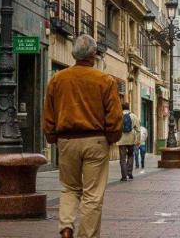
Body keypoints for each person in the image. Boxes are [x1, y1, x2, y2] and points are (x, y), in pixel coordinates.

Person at [43, 35, 123, 238]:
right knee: (92, 194)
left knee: (69, 188)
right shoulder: (105, 80)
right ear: (94, 55)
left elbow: (48, 113)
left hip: (66, 141)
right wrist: (112, 137)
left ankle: (66, 226)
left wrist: (52, 137)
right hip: (95, 140)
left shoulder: (57, 79)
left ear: (73, 54)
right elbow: (114, 115)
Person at [117, 102, 140, 181]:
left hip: (121, 139)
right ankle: (129, 172)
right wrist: (138, 140)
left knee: (122, 158)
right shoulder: (134, 116)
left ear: (122, 108)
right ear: (128, 108)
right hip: (131, 139)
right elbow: (138, 130)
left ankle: (124, 176)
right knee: (131, 155)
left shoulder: (118, 116)